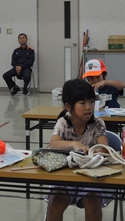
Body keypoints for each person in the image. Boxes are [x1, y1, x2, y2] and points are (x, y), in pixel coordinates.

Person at [45, 78, 109, 221]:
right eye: (82, 103)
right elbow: (53, 144)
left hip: (90, 178)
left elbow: (103, 144)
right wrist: (74, 144)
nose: (89, 107)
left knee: (93, 205)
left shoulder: (97, 123)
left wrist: (101, 150)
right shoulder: (63, 123)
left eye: (91, 101)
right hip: (65, 178)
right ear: (68, 106)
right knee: (55, 203)